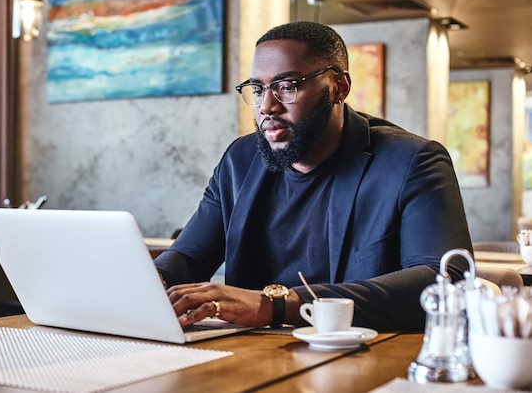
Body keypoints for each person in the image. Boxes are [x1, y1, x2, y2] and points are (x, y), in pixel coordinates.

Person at [154, 21, 472, 331]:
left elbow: (445, 279)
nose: (267, 106)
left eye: (287, 86)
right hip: (248, 353)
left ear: (339, 87)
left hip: (359, 357)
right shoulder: (240, 159)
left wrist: (275, 305)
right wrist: (156, 279)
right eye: (258, 88)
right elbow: (190, 255)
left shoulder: (411, 161)